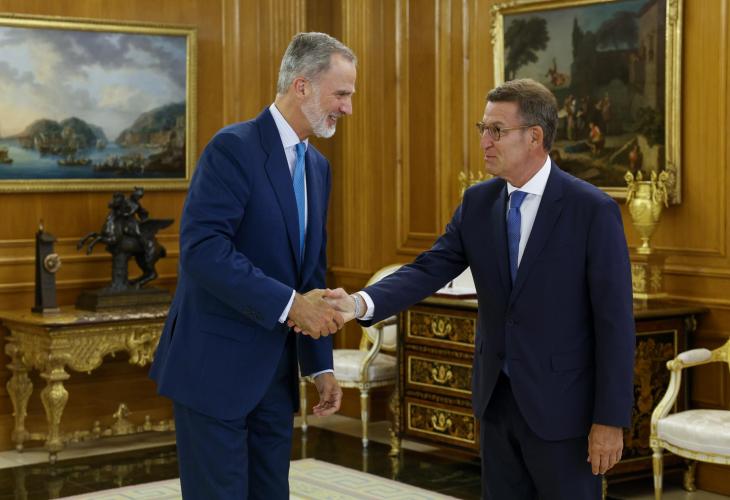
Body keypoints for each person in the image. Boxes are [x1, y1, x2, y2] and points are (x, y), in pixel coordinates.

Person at [311, 78, 635, 499]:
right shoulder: (478, 203)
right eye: (483, 128)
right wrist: (357, 303)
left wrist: (609, 420)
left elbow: (615, 326)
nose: (484, 141)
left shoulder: (591, 210)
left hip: (564, 412)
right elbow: (428, 269)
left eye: (496, 130)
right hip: (496, 404)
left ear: (535, 137)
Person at [149, 32, 357, 499]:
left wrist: (319, 365)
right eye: (341, 94)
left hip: (275, 377)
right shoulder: (233, 148)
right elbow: (204, 250)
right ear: (302, 86)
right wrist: (291, 306)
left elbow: (311, 274)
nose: (347, 108)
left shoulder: (318, 167)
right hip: (213, 369)